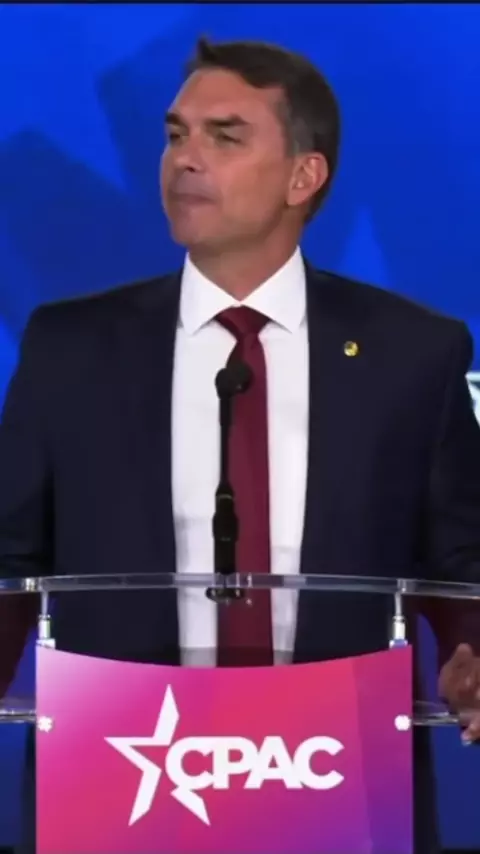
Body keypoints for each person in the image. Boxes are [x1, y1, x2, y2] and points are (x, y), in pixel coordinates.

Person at [0, 36, 480, 854]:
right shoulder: (69, 347)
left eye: (224, 136)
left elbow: (460, 560)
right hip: (120, 784)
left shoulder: (413, 354)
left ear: (303, 176)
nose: (184, 159)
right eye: (175, 134)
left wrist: (471, 654)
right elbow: (10, 558)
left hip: (338, 783)